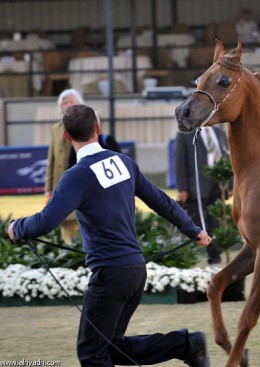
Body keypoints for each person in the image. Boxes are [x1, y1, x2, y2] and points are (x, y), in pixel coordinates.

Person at [8, 104, 212, 367]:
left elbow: (47, 221)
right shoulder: (124, 162)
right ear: (98, 129)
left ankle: (188, 345)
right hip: (135, 271)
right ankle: (187, 345)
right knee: (112, 347)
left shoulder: (76, 176)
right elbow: (161, 201)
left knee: (92, 354)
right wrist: (193, 230)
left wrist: (17, 228)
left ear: (66, 137)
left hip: (109, 275)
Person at [174, 126, 228, 265]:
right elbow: (179, 162)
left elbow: (228, 157)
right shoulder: (185, 134)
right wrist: (182, 188)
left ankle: (215, 255)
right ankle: (192, 255)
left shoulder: (220, 133)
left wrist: (231, 182)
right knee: (196, 222)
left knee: (216, 222)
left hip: (218, 186)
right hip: (196, 187)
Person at [46, 89, 85, 243]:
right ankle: (69, 253)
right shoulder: (55, 129)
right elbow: (52, 159)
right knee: (63, 219)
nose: (68, 105)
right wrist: (48, 188)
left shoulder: (85, 125)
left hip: (78, 181)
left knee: (77, 219)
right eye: (65, 103)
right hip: (59, 182)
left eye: (72, 102)